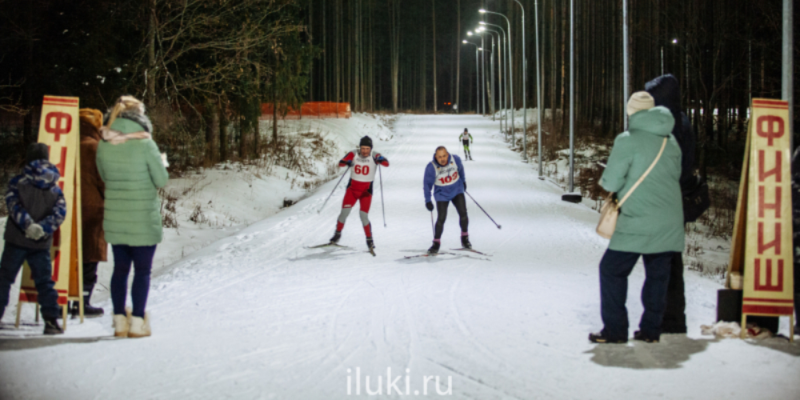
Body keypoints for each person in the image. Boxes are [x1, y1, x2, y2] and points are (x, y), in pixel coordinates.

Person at [589, 92, 684, 344]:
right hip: (669, 222)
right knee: (658, 277)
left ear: (630, 112)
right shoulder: (671, 140)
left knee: (611, 271)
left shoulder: (627, 140)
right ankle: (651, 331)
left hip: (637, 220)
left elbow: (611, 180)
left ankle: (615, 331)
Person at [96, 95, 168, 338]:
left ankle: (118, 321)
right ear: (140, 116)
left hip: (116, 217)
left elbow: (105, 177)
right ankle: (137, 321)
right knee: (143, 272)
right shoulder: (146, 144)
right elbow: (161, 180)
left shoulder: (104, 143)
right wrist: (161, 163)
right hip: (142, 218)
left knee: (120, 270)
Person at [645, 74, 695, 334]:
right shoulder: (680, 121)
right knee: (669, 261)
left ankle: (668, 318)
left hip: (664, 201)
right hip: (672, 199)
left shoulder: (669, 125)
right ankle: (672, 317)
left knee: (662, 263)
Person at [0, 143, 67, 335]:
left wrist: (27, 224)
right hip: (41, 243)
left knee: (4, 279)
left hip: (16, 239)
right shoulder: (55, 187)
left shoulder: (17, 182)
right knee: (44, 281)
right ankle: (51, 321)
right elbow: (60, 212)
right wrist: (42, 228)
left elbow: (12, 205)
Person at [72, 108, 106, 317]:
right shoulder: (96, 148)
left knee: (69, 257)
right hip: (92, 212)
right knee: (88, 258)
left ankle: (63, 301)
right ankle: (82, 302)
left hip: (66, 210)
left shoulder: (67, 146)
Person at [329, 136, 389, 251]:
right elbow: (341, 163)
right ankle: (337, 235)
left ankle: (369, 240)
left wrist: (380, 159)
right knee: (343, 214)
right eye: (363, 148)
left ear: (370, 148)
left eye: (367, 148)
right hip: (352, 191)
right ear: (359, 147)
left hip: (366, 193)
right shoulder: (353, 153)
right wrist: (347, 162)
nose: (365, 151)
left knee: (363, 216)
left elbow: (386, 164)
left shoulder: (374, 154)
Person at [423, 146, 470, 254]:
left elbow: (461, 170)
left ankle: (465, 238)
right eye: (439, 157)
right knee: (441, 219)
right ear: (436, 156)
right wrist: (428, 200)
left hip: (457, 190)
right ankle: (436, 243)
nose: (442, 159)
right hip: (442, 195)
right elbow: (427, 185)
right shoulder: (431, 167)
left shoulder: (455, 159)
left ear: (447, 154)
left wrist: (463, 182)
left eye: (444, 156)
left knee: (463, 214)